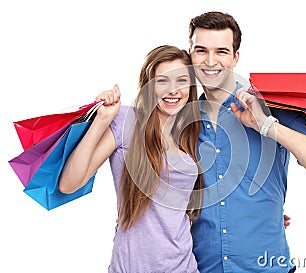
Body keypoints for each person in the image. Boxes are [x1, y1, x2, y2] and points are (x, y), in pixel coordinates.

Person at [187, 11, 306, 272]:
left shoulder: (271, 108)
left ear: (236, 57)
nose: (210, 61)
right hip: (202, 267)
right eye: (201, 50)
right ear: (189, 54)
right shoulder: (180, 118)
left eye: (222, 51)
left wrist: (266, 126)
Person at [59, 45, 203, 273]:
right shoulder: (128, 121)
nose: (173, 90)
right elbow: (69, 183)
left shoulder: (190, 134)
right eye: (163, 81)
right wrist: (102, 120)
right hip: (131, 266)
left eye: (181, 81)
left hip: (183, 266)